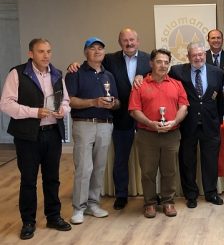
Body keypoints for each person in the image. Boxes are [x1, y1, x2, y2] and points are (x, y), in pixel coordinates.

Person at [68, 27, 151, 210]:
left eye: (132, 40)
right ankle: (121, 194)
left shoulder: (149, 59)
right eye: (125, 40)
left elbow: (160, 74)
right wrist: (74, 64)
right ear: (120, 42)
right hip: (120, 116)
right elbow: (91, 62)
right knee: (121, 159)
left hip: (147, 117)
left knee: (150, 159)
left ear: (138, 41)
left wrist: (143, 76)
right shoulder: (110, 59)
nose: (129, 43)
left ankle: (152, 196)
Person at [0, 38, 72, 240]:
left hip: (53, 134)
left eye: (49, 51)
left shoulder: (57, 74)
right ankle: (28, 222)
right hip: (27, 137)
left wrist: (62, 111)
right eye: (41, 51)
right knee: (28, 180)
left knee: (52, 179)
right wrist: (34, 112)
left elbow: (66, 101)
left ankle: (53, 216)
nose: (46, 55)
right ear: (31, 53)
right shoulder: (18, 73)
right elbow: (5, 104)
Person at [65, 37, 119, 225]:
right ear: (85, 52)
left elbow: (117, 101)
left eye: (100, 49)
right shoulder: (75, 73)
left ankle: (93, 204)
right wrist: (93, 102)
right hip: (84, 124)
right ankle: (78, 208)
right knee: (84, 167)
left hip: (105, 124)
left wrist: (113, 104)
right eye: (92, 48)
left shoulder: (109, 76)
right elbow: (70, 100)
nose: (97, 52)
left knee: (99, 167)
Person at [129, 49, 189, 218]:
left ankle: (168, 202)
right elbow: (134, 110)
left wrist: (175, 122)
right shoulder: (140, 85)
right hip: (147, 134)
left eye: (166, 62)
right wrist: (150, 123)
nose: (163, 65)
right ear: (151, 63)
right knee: (148, 171)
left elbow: (183, 107)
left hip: (172, 134)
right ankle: (149, 203)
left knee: (169, 171)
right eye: (159, 61)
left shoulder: (176, 84)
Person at [170, 42, 224, 208]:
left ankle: (211, 193)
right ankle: (191, 195)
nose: (198, 58)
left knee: (210, 161)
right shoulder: (177, 72)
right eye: (194, 55)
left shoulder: (217, 72)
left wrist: (219, 121)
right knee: (187, 161)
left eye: (201, 54)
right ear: (188, 56)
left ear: (205, 55)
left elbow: (220, 99)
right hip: (187, 125)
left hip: (210, 124)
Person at [205, 29, 224, 116]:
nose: (216, 40)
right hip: (207, 100)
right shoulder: (202, 57)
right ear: (208, 40)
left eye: (218, 38)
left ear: (222, 40)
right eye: (213, 38)